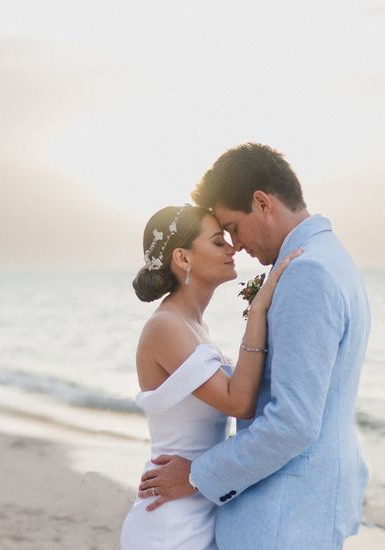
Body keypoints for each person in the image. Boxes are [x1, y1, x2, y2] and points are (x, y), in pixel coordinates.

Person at [137, 143, 372, 549]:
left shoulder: (307, 273)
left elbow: (293, 422)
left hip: (283, 515)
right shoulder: (332, 259)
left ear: (262, 203)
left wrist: (196, 475)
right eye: (222, 237)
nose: (236, 245)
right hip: (295, 508)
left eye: (233, 227)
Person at [120, 203, 302, 550]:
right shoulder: (165, 326)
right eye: (218, 242)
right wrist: (258, 310)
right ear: (183, 258)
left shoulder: (194, 326)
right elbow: (239, 402)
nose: (232, 248)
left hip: (198, 504)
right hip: (169, 522)